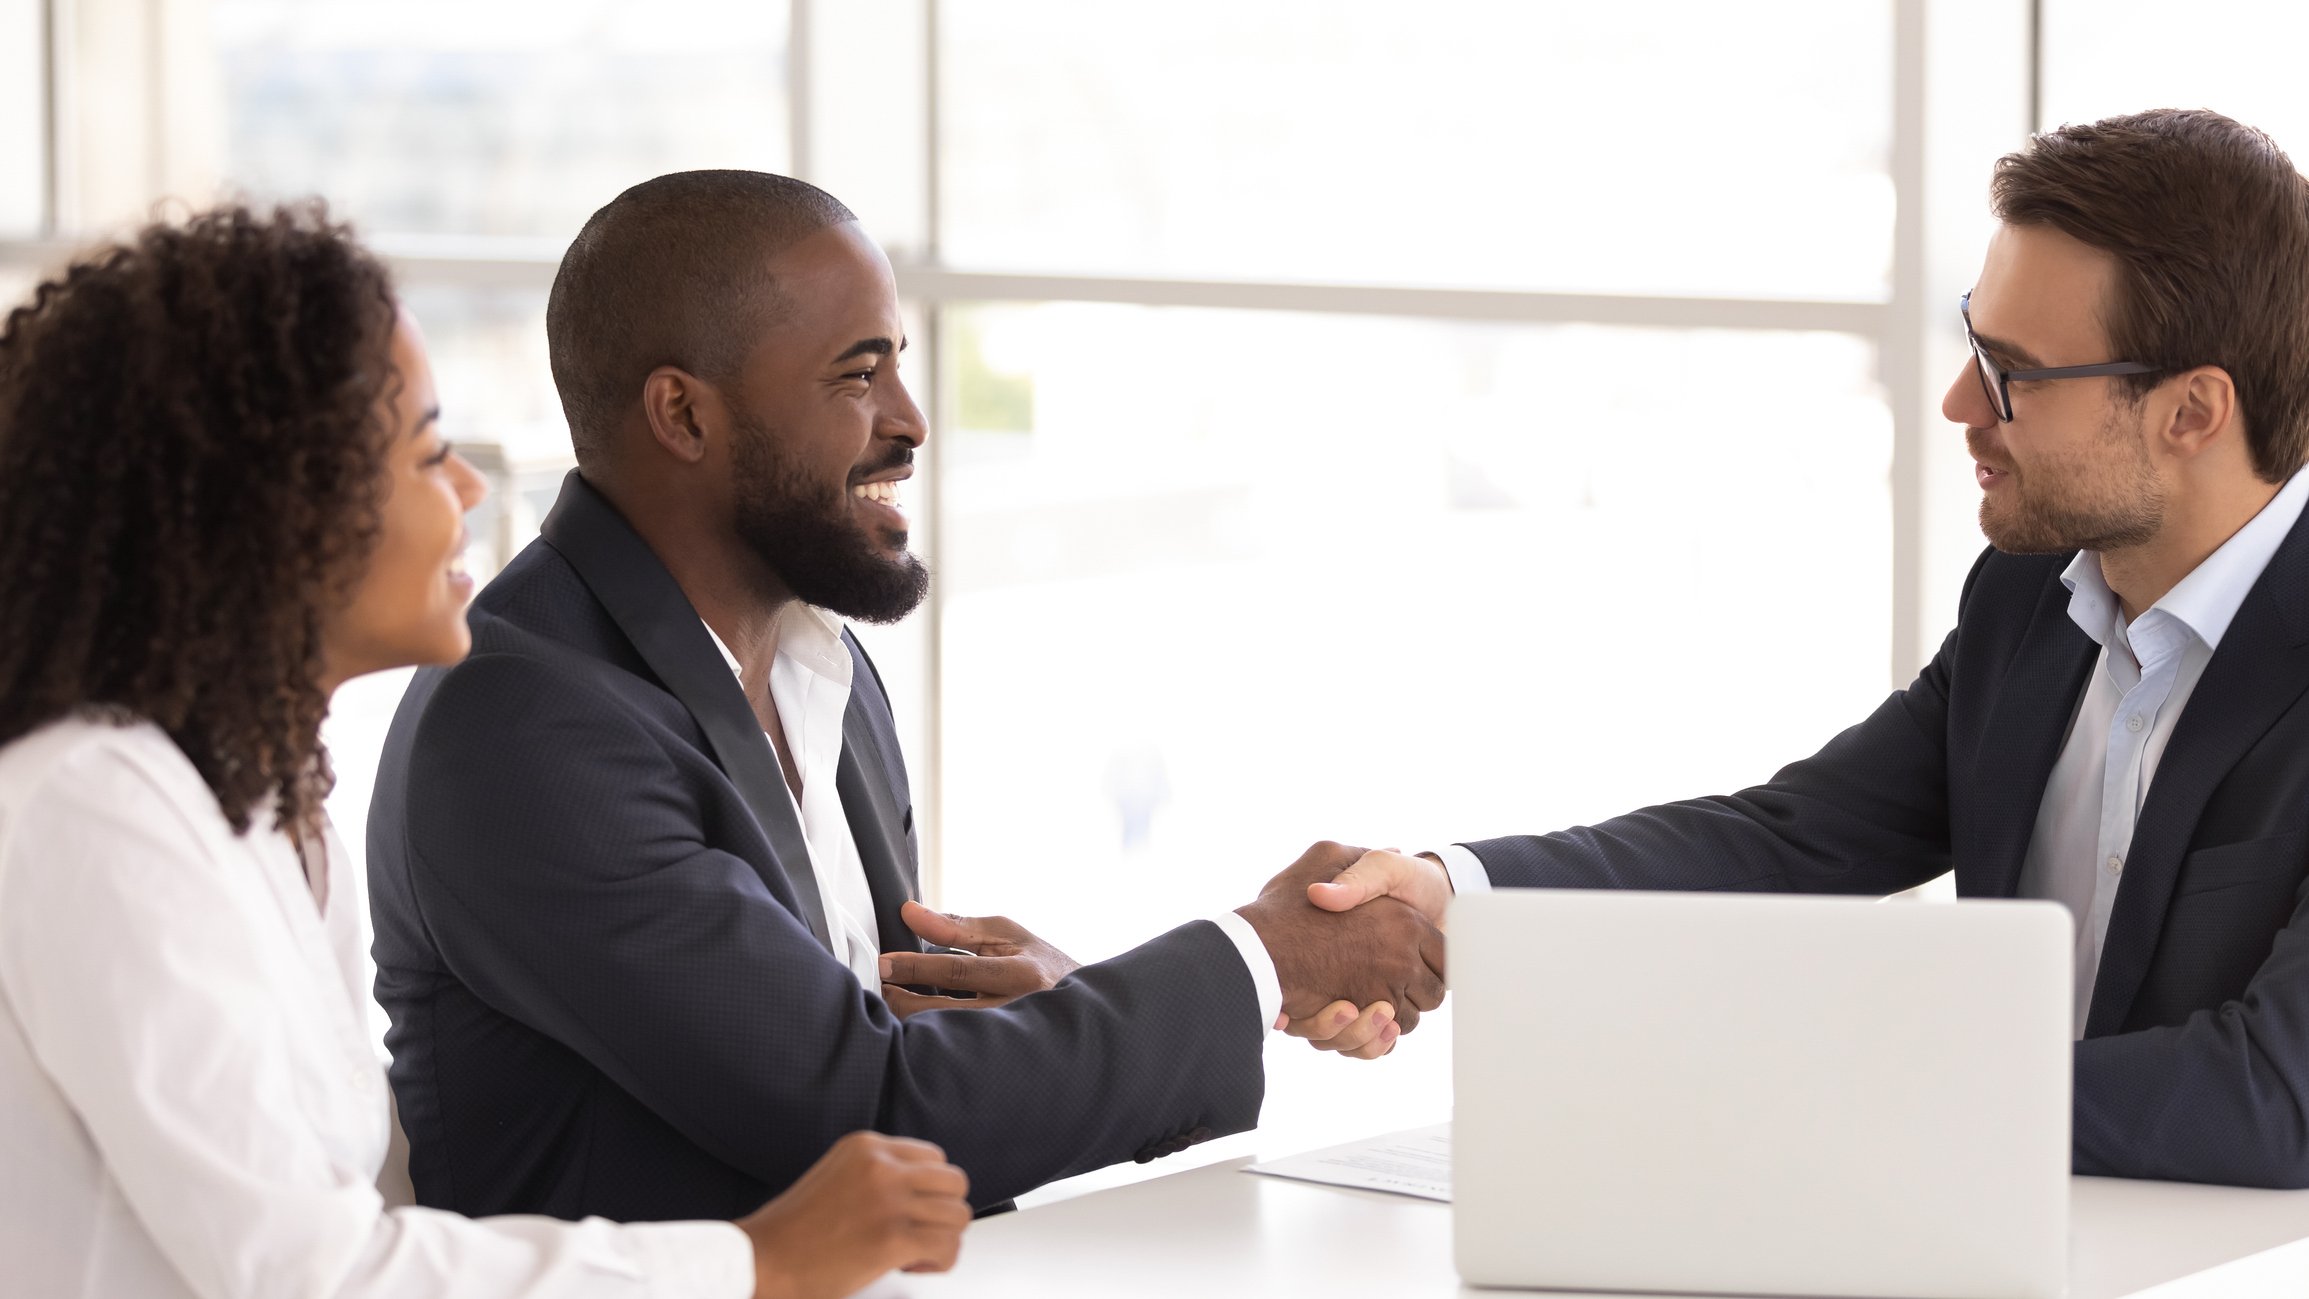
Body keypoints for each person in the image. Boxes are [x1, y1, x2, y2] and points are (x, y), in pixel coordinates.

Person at [364, 170, 1445, 1223]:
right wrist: (1261, 957)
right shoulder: (527, 726)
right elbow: (868, 1114)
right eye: (858, 374)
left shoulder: (816, 663)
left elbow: (891, 1054)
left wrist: (1080, 1001)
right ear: (684, 416)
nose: (913, 420)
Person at [1301, 108, 2309, 1189]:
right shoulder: (2029, 595)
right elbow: (1787, 842)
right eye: (1972, 341)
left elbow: (2269, 1096)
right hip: (1995, 1230)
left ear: (2190, 412)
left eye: (2010, 373)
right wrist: (1445, 894)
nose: (1956, 401)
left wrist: (1809, 1082)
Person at [0, 203, 974, 1298]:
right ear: (265, 508)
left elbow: (334, 1198)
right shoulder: (97, 810)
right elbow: (308, 1272)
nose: (467, 489)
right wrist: (760, 1261)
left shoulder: (264, 804)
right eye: (424, 452)